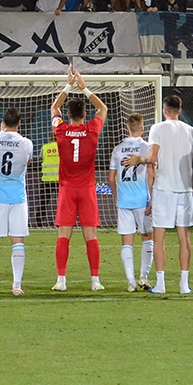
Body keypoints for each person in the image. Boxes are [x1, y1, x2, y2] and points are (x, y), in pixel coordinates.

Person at [130, 93, 193, 295]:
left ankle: (161, 284)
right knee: (184, 238)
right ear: (179, 110)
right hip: (184, 190)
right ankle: (184, 285)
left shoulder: (157, 128)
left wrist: (139, 160)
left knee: (159, 239)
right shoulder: (191, 131)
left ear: (164, 110)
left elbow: (152, 157)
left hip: (163, 189)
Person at [49, 65, 108, 291]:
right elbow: (102, 109)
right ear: (84, 115)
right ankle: (95, 280)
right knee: (90, 235)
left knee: (64, 234)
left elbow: (54, 107)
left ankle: (61, 280)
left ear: (68, 115)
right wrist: (84, 89)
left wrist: (68, 85)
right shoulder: (92, 129)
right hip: (87, 189)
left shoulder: (61, 130)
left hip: (66, 188)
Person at [0, 107, 36, 296]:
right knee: (17, 240)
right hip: (17, 198)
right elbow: (27, 162)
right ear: (19, 123)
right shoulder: (26, 143)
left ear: (2, 122)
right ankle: (16, 285)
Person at [108, 113, 154, 292]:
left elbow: (111, 178)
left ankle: (131, 282)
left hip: (124, 200)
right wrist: (152, 198)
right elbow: (151, 174)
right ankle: (144, 276)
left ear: (127, 127)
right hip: (142, 200)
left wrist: (116, 197)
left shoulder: (118, 149)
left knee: (127, 241)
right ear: (142, 128)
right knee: (147, 237)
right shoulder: (146, 148)